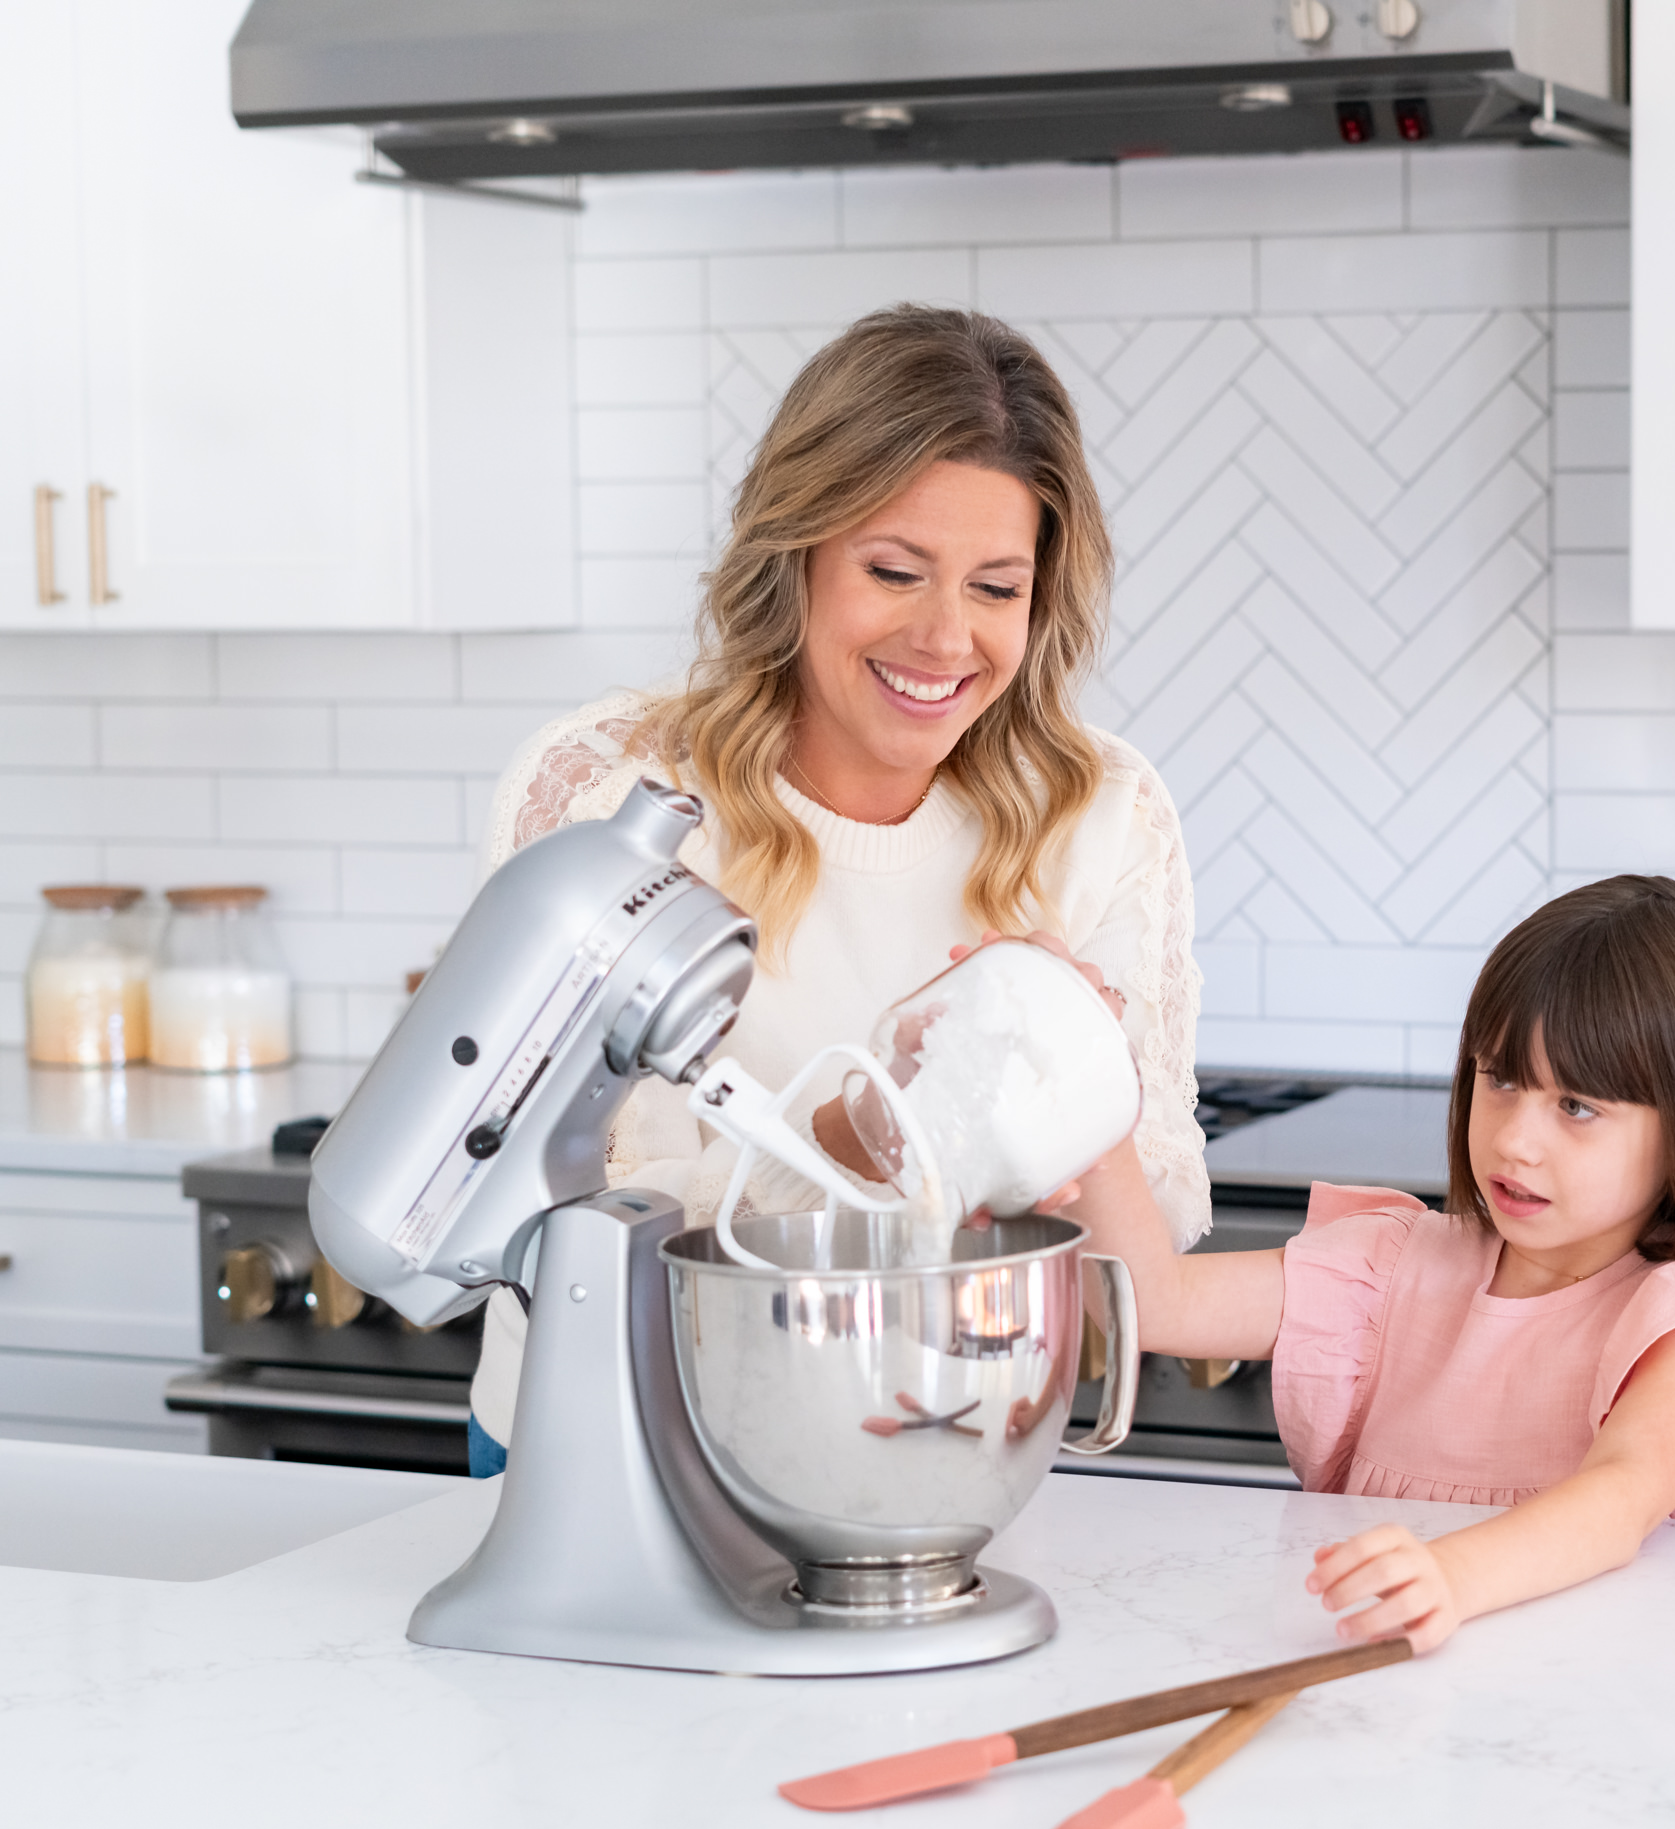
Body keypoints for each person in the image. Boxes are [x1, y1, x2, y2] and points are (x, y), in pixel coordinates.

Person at [464, 306, 1210, 1474]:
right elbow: (530, 1215)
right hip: (616, 1447)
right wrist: (850, 1133)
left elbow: (1144, 1246)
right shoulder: (615, 799)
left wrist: (1076, 1086)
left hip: (937, 1457)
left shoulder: (1100, 812)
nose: (945, 637)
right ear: (794, 553)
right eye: (895, 571)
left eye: (998, 588)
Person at [1064, 875, 1675, 1654]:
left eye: (1577, 1106)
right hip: (1389, 1674)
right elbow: (1152, 1302)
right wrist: (1092, 1095)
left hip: (1598, 1702)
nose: (1514, 1139)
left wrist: (1451, 1577)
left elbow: (1619, 1495)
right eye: (1499, 1078)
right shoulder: (1391, 1265)